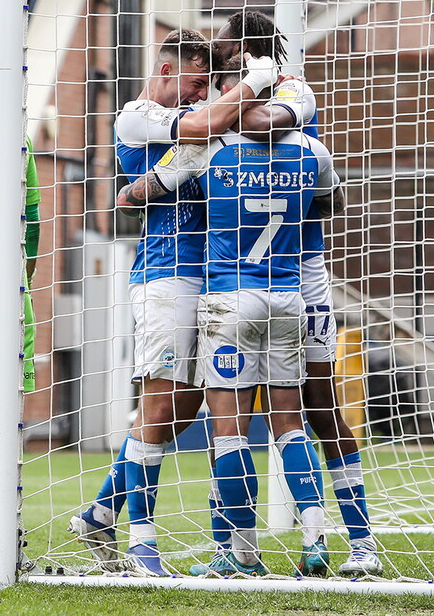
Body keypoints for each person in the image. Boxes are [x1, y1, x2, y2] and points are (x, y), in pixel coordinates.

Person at [68, 29, 279, 576]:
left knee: (190, 411)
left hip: (213, 278)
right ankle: (141, 545)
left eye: (208, 83)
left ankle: (101, 511)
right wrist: (255, 82)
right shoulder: (137, 116)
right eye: (194, 79)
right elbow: (207, 125)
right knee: (159, 408)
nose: (200, 91)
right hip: (163, 278)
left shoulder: (197, 111)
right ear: (166, 70)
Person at [115, 59, 337, 576]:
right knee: (288, 423)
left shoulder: (211, 149)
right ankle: (316, 537)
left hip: (228, 300)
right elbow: (333, 203)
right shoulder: (311, 149)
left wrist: (130, 193)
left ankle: (237, 552)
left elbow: (141, 193)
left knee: (229, 429)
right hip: (289, 298)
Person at [213, 10, 383, 577]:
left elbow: (261, 123)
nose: (217, 54)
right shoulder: (228, 110)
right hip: (264, 281)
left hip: (299, 277)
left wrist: (230, 101)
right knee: (233, 409)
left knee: (321, 406)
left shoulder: (293, 91)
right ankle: (234, 546)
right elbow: (332, 198)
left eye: (226, 47)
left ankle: (360, 543)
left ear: (250, 51)